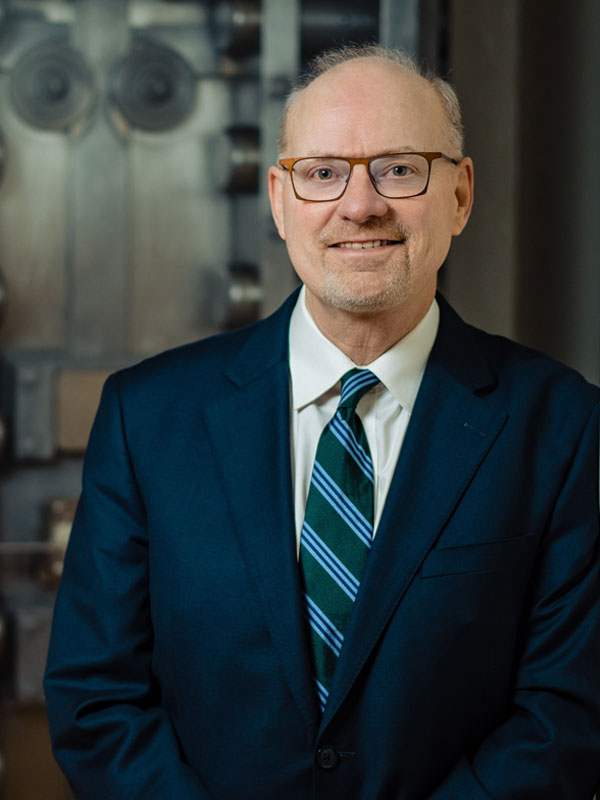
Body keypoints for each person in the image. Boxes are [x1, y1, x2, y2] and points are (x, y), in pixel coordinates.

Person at [44, 44, 600, 799]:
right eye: (323, 171)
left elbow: (566, 714)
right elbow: (96, 698)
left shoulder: (563, 426)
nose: (360, 203)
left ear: (461, 194)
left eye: (400, 168)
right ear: (279, 199)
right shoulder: (148, 419)